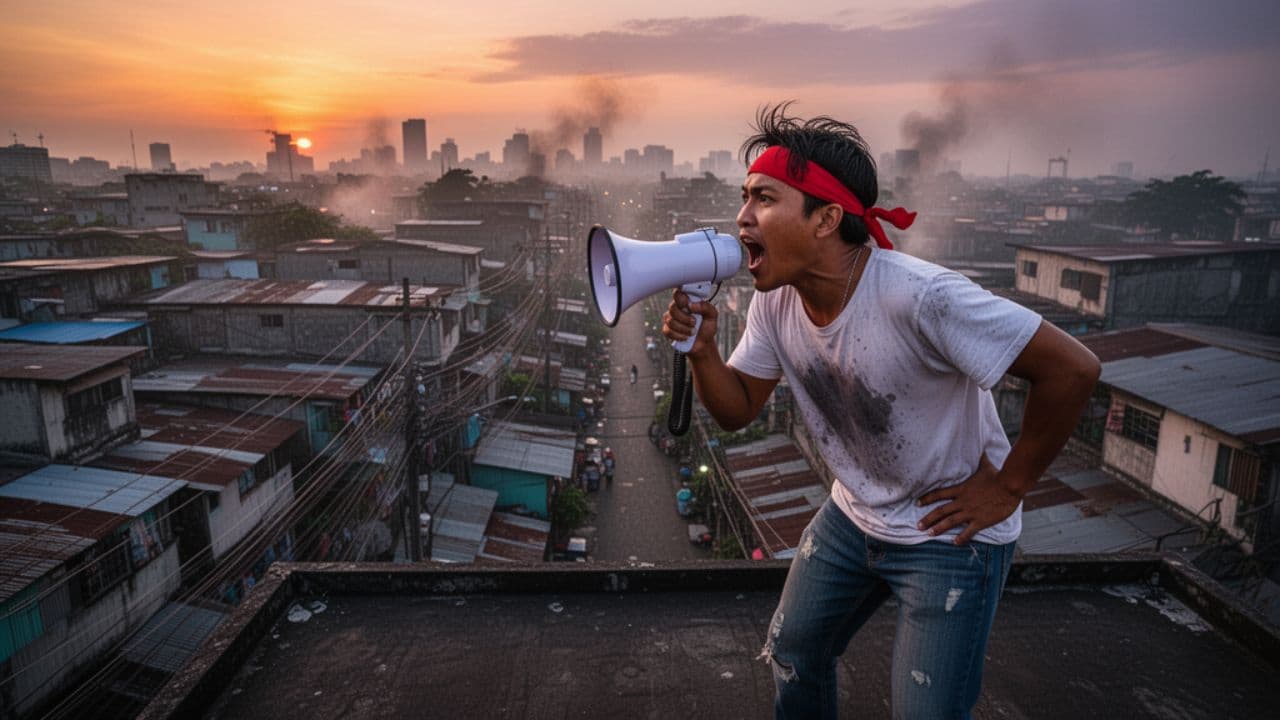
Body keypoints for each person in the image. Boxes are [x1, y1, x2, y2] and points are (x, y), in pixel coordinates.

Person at [662, 104, 1100, 720]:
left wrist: (1009, 487)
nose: (741, 216)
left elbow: (1073, 369)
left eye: (763, 198)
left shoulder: (922, 297)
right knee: (793, 653)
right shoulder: (776, 303)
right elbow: (737, 409)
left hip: (949, 535)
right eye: (744, 197)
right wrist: (704, 351)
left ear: (826, 219)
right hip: (853, 514)